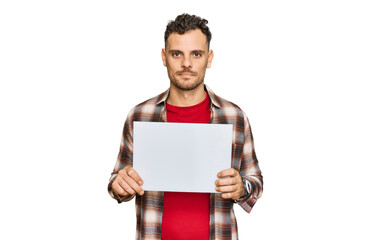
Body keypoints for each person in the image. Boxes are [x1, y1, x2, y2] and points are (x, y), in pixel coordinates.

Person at [108, 13, 263, 240]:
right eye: (177, 53)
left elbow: (255, 182)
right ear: (164, 57)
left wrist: (241, 189)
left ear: (209, 58)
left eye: (196, 54)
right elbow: (116, 182)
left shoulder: (234, 117)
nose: (186, 64)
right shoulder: (140, 116)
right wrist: (120, 185)